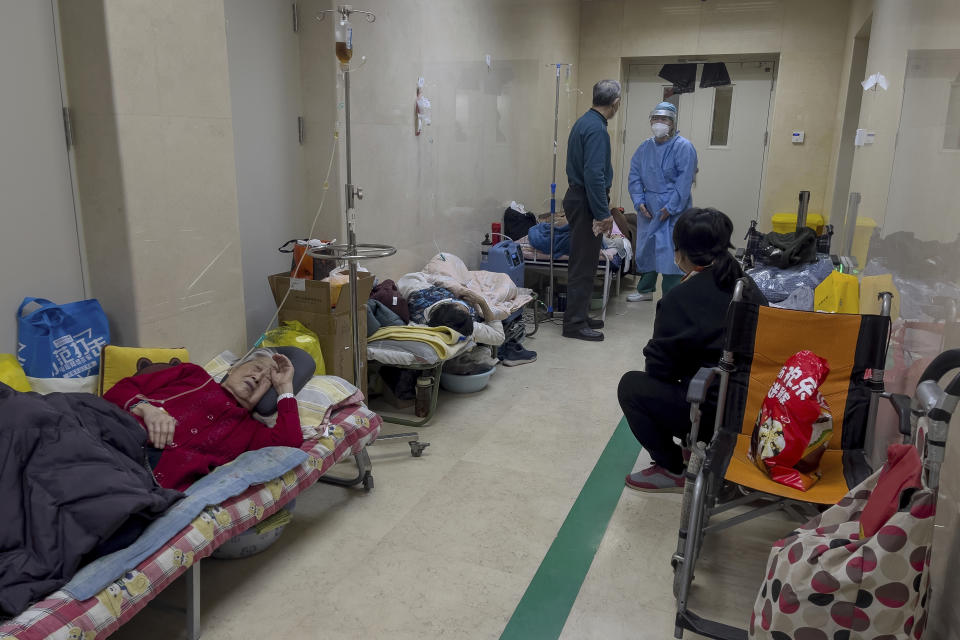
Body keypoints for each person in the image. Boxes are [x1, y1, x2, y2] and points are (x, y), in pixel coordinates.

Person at [618, 208, 767, 492]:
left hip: (713, 413)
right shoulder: (746, 284)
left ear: (681, 253)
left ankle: (671, 467)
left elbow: (658, 370)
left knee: (632, 387)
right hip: (754, 411)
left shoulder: (680, 297)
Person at [104, 348, 303, 491]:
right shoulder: (193, 374)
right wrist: (146, 409)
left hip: (146, 481)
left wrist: (284, 387)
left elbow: (289, 444)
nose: (258, 377)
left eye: (267, 380)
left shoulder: (250, 431)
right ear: (232, 369)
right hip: (114, 439)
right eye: (256, 367)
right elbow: (119, 391)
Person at [561, 79, 619, 341]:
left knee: (584, 262)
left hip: (578, 197)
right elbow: (594, 175)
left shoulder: (584, 122)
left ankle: (580, 315)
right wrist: (603, 213)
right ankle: (574, 324)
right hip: (585, 200)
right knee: (583, 265)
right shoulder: (596, 130)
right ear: (615, 103)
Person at [626, 102, 698, 302]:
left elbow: (684, 182)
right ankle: (645, 290)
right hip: (648, 205)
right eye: (655, 118)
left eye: (664, 119)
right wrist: (639, 201)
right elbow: (634, 176)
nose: (659, 123)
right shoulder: (645, 147)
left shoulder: (683, 147)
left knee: (670, 251)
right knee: (646, 247)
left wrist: (671, 207)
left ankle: (672, 295)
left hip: (674, 206)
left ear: (673, 123)